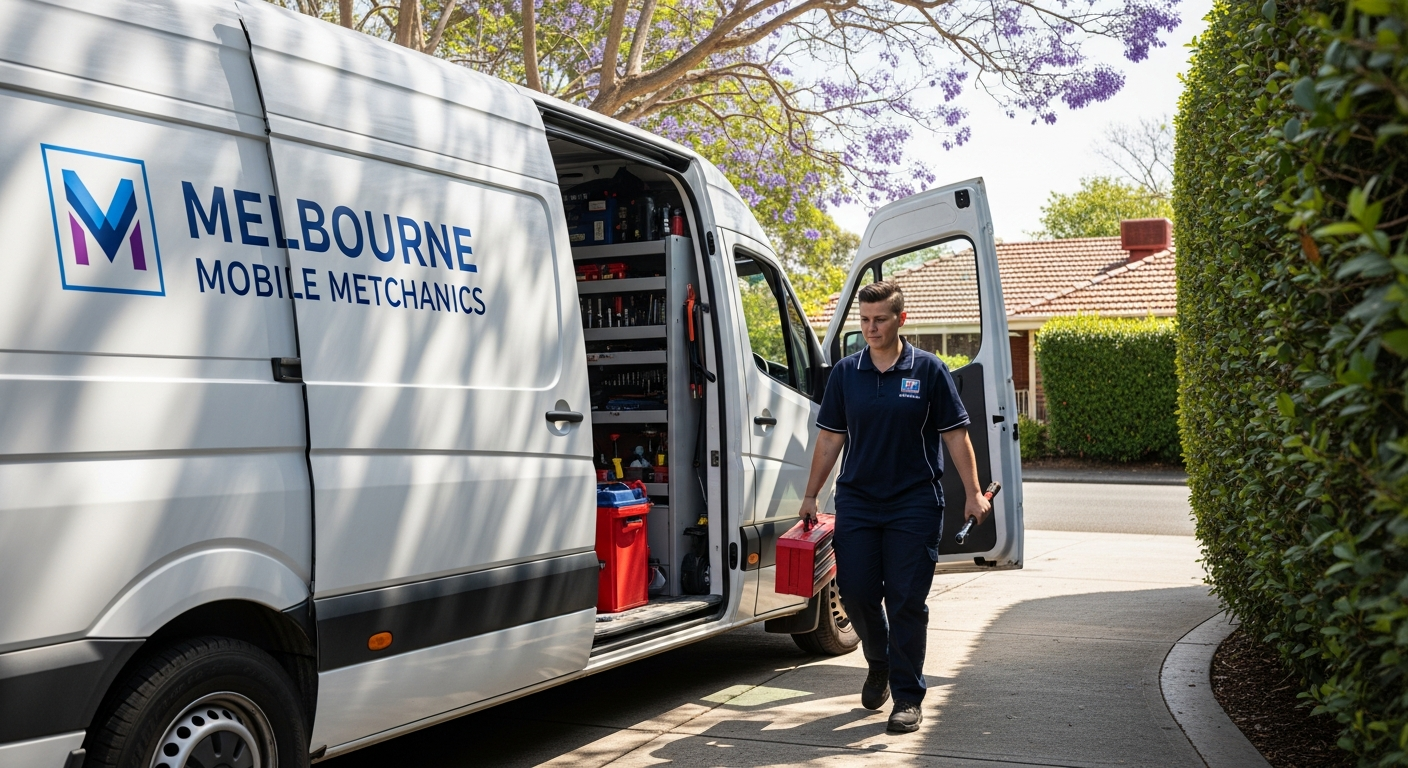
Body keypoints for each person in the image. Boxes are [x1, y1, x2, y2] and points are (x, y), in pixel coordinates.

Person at [799, 280, 991, 734]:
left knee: (906, 600)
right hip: (859, 501)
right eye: (864, 320)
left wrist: (974, 491)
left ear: (901, 319)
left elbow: (955, 435)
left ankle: (907, 696)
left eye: (880, 319)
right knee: (858, 594)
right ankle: (879, 660)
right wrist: (810, 494)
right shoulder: (847, 373)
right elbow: (829, 439)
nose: (871, 328)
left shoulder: (928, 370)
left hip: (914, 501)